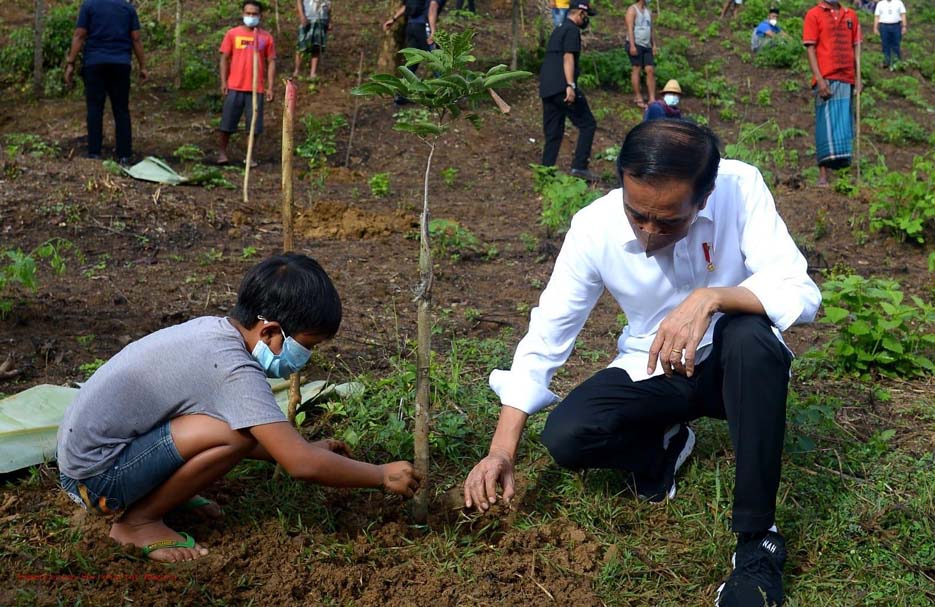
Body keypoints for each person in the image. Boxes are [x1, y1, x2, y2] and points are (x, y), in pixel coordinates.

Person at [463, 119, 821, 607]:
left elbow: (798, 289)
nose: (650, 233)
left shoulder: (739, 187)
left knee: (751, 337)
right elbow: (548, 332)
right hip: (658, 366)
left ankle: (757, 543)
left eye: (669, 220)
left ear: (705, 195)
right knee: (568, 435)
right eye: (638, 216)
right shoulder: (594, 227)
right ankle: (665, 447)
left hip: (737, 371)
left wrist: (712, 297)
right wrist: (501, 451)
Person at [57, 253, 423, 562]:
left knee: (230, 427)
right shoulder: (233, 369)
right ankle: (137, 524)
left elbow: (281, 445)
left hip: (87, 461)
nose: (308, 356)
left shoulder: (213, 332)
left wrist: (302, 447)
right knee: (232, 435)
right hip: (97, 482)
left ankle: (161, 494)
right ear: (270, 331)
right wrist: (380, 474)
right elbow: (301, 464)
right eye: (308, 344)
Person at [63, 0, 148, 165]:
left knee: (95, 108)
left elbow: (80, 35)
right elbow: (136, 39)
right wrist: (143, 66)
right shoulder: (127, 8)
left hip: (95, 63)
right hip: (121, 63)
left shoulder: (89, 6)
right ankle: (124, 155)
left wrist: (70, 63)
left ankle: (94, 153)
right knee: (121, 109)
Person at [803, 0, 862, 186]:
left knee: (845, 124)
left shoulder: (850, 15)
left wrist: (858, 78)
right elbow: (810, 48)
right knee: (825, 124)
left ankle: (845, 172)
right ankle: (823, 174)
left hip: (847, 77)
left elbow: (856, 49)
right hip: (826, 77)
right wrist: (819, 79)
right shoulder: (814, 14)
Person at [539, 1, 599, 181]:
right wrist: (570, 85)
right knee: (588, 124)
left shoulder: (558, 30)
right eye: (586, 16)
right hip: (562, 88)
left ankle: (545, 172)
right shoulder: (572, 30)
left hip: (547, 89)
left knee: (553, 133)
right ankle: (579, 167)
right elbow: (567, 57)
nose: (586, 20)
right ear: (580, 13)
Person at [217, 0, 277, 166]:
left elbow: (271, 61)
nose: (251, 17)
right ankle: (222, 153)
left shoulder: (265, 37)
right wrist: (224, 81)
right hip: (235, 85)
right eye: (248, 13)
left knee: (254, 126)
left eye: (254, 14)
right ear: (243, 14)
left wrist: (270, 87)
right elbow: (224, 58)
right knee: (227, 122)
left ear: (260, 16)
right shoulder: (233, 34)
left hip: (256, 89)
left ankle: (249, 155)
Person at [625, 0, 657, 109]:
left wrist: (654, 45)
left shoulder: (648, 11)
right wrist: (632, 45)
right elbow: (630, 28)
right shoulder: (632, 10)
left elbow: (651, 29)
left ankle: (652, 98)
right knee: (636, 68)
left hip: (647, 45)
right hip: (636, 43)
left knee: (650, 70)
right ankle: (638, 97)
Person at [294, 0, 332, 80]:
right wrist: (301, 15)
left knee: (316, 47)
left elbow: (328, 6)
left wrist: (329, 20)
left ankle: (313, 73)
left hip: (321, 19)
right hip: (308, 18)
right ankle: (297, 71)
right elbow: (299, 1)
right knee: (301, 46)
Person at [873, 0, 907, 70]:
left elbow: (903, 15)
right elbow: (877, 16)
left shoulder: (899, 2)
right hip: (884, 26)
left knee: (896, 44)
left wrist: (904, 26)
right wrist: (875, 27)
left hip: (896, 26)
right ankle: (886, 61)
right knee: (885, 44)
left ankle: (896, 62)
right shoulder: (880, 4)